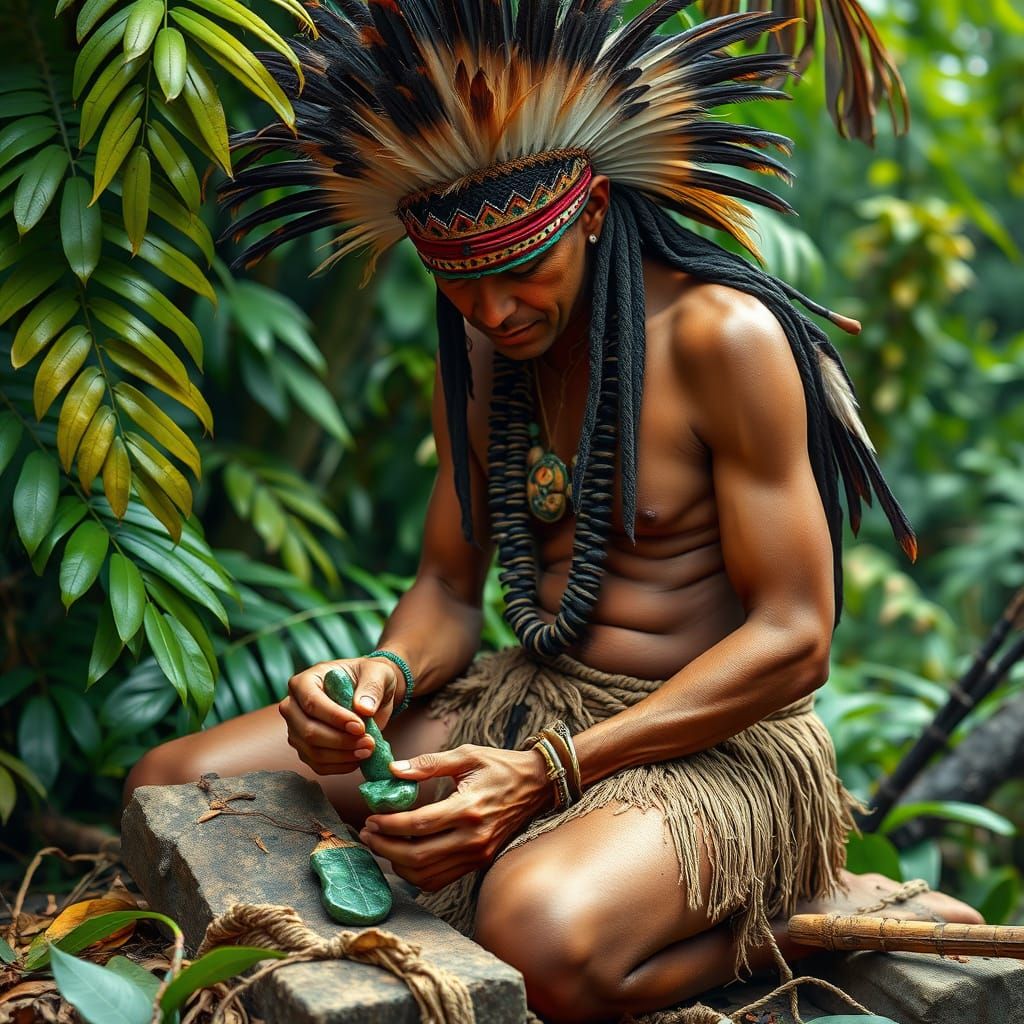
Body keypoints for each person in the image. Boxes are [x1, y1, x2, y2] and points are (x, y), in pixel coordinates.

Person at [125, 2, 982, 1021]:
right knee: (174, 782)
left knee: (530, 937)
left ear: (587, 212)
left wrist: (546, 773)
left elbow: (796, 639)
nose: (492, 312)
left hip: (713, 747)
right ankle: (601, 870)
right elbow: (447, 586)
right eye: (458, 283)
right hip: (527, 700)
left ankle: (782, 918)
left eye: (519, 272)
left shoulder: (721, 340)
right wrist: (375, 679)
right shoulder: (486, 349)